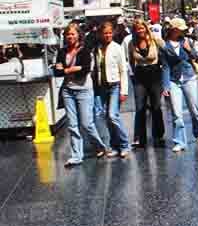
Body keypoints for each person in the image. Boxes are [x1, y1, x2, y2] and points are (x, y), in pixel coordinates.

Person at [54, 23, 108, 167]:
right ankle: (77, 155)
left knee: (86, 123)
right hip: (68, 91)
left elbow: (84, 70)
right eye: (68, 34)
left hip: (84, 90)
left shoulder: (84, 51)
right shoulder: (61, 51)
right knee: (72, 125)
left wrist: (66, 69)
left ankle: (99, 146)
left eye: (73, 34)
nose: (70, 37)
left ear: (78, 35)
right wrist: (72, 69)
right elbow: (57, 72)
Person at [161, 18, 198, 152]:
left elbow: (196, 58)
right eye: (181, 29)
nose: (183, 31)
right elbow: (165, 67)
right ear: (174, 30)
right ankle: (180, 141)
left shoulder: (186, 41)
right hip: (173, 80)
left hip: (189, 77)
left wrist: (189, 50)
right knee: (177, 113)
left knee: (194, 109)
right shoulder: (165, 46)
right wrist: (165, 86)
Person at [93, 21, 130, 158]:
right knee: (107, 118)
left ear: (113, 33)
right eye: (105, 33)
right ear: (101, 34)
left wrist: (124, 91)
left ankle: (125, 144)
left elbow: (123, 71)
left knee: (112, 115)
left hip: (115, 85)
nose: (108, 35)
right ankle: (115, 145)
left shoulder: (117, 48)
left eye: (110, 33)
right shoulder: (97, 48)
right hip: (102, 86)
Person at [128, 19, 166, 148]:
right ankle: (140, 138)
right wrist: (134, 74)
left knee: (156, 106)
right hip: (140, 75)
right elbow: (131, 60)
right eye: (137, 29)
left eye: (142, 28)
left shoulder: (154, 39)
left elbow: (166, 50)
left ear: (146, 28)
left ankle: (158, 135)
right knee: (140, 107)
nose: (140, 31)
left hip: (154, 74)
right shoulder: (131, 43)